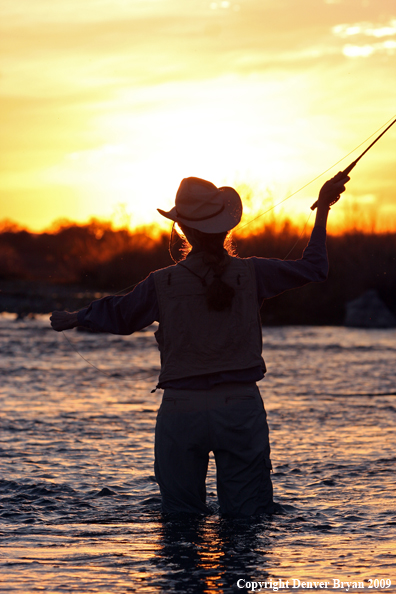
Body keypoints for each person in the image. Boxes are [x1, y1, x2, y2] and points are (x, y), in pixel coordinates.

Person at [50, 172, 349, 516]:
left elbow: (121, 314)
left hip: (181, 410)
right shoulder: (254, 273)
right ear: (226, 229)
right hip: (240, 407)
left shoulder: (161, 283)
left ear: (182, 230)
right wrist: (323, 207)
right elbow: (314, 268)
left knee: (180, 524)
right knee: (247, 523)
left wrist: (76, 317)